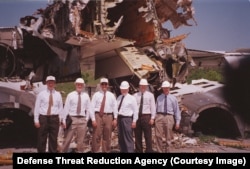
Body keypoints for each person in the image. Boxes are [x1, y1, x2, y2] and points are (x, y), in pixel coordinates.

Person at [60, 78, 92, 153]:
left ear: (83, 86)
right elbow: (66, 108)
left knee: (81, 140)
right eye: (78, 84)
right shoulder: (70, 95)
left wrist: (86, 119)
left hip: (82, 119)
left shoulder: (86, 96)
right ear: (75, 85)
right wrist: (63, 119)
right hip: (72, 119)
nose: (79, 86)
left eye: (81, 85)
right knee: (67, 139)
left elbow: (88, 108)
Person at [34, 75, 63, 153]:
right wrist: (36, 120)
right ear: (46, 83)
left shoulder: (58, 95)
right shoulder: (41, 94)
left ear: (54, 83)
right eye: (49, 83)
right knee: (41, 138)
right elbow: (37, 107)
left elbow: (60, 108)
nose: (51, 84)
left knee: (53, 138)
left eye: (52, 83)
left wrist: (61, 119)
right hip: (43, 118)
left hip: (54, 118)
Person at [90, 78, 118, 153]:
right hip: (98, 116)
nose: (104, 85)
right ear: (100, 85)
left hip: (109, 116)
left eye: (106, 84)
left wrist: (115, 118)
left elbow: (115, 107)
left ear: (108, 85)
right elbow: (91, 107)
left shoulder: (112, 95)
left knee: (107, 135)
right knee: (96, 135)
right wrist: (93, 119)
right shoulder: (96, 95)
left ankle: (106, 151)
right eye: (103, 84)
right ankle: (95, 151)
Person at [155, 80, 181, 153]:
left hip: (169, 117)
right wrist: (154, 118)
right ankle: (159, 151)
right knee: (158, 136)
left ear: (169, 88)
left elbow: (176, 110)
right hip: (159, 117)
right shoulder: (159, 98)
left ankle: (168, 151)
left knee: (168, 137)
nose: (166, 89)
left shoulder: (173, 98)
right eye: (164, 88)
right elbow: (155, 108)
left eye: (167, 88)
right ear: (162, 88)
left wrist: (177, 122)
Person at [133, 79, 156, 153]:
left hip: (146, 117)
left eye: (144, 86)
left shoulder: (150, 95)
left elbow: (153, 107)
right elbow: (133, 108)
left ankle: (149, 151)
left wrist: (152, 118)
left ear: (146, 86)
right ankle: (138, 151)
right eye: (141, 86)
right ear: (139, 86)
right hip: (137, 117)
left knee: (148, 135)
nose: (143, 87)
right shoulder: (135, 95)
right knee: (137, 136)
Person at [117, 81, 138, 153]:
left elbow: (135, 111)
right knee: (121, 138)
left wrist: (134, 121)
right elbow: (116, 109)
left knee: (128, 138)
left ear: (128, 89)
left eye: (125, 89)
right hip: (119, 119)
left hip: (127, 119)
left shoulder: (132, 98)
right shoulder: (119, 97)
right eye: (122, 89)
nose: (124, 90)